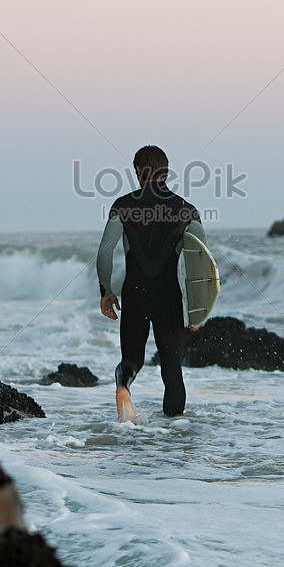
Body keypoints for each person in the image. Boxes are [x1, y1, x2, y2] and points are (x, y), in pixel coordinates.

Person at [97, 145, 207, 419]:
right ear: (166, 172)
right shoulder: (187, 210)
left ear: (137, 170)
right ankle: (174, 434)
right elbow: (201, 263)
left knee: (131, 359)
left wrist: (106, 292)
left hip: (134, 292)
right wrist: (199, 307)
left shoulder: (122, 206)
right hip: (170, 296)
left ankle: (123, 386)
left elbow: (104, 253)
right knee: (172, 367)